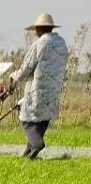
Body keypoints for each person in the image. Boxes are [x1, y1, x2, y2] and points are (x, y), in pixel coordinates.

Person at [8, 13, 69, 159]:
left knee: (25, 117)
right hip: (54, 88)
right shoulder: (61, 43)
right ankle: (29, 153)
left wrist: (13, 77)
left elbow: (26, 68)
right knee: (43, 117)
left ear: (39, 29)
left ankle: (36, 144)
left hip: (38, 88)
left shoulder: (39, 44)